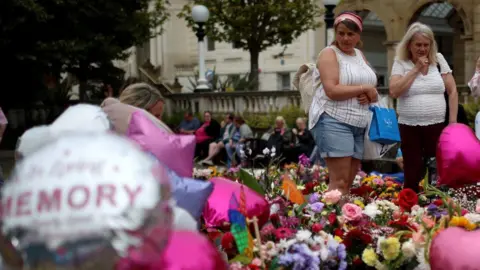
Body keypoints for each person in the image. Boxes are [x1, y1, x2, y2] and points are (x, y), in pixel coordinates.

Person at [309, 12, 378, 196]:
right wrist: (364, 88)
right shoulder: (329, 54)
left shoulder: (359, 55)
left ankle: (343, 223)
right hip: (334, 120)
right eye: (341, 33)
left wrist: (370, 94)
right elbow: (332, 91)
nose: (345, 38)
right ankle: (326, 223)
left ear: (359, 35)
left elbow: (372, 89)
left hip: (359, 123)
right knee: (338, 183)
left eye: (351, 34)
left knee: (347, 183)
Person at [389, 22, 458, 192]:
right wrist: (416, 69)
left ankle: (438, 206)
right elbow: (394, 91)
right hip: (409, 126)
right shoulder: (401, 63)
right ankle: (411, 208)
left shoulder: (439, 61)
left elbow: (453, 90)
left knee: (437, 169)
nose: (422, 48)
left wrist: (452, 122)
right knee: (413, 169)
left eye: (426, 45)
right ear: (409, 45)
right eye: (418, 44)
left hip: (436, 125)